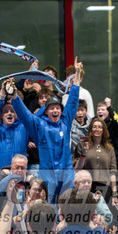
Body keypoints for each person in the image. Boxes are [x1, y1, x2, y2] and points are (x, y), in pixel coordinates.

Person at [12, 57, 84, 202]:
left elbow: (73, 101)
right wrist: (14, 95)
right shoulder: (39, 125)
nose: (55, 110)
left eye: (58, 108)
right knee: (47, 204)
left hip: (66, 171)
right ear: (46, 112)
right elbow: (24, 115)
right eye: (52, 108)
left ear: (61, 111)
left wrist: (77, 75)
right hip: (47, 173)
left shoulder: (65, 122)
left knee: (68, 203)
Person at [74, 117, 118, 208]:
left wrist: (114, 194)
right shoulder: (82, 145)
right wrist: (83, 153)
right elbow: (77, 169)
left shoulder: (109, 148)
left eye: (100, 127)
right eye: (94, 127)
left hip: (105, 187)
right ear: (90, 129)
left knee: (103, 214)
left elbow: (112, 173)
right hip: (87, 186)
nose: (97, 129)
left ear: (104, 130)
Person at [0, 103, 30, 173]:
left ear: (16, 115)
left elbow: (35, 118)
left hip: (19, 173)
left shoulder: (23, 128)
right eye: (6, 111)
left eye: (12, 111)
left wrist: (46, 104)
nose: (9, 113)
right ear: (0, 115)